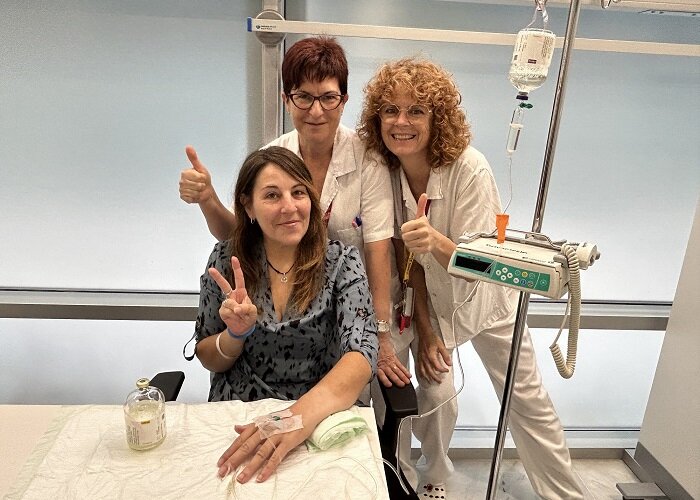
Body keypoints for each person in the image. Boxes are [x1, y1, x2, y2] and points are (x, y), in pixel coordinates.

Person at [358, 57, 585, 499]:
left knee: (526, 402)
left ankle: (566, 495)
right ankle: (412, 478)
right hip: (428, 300)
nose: (401, 122)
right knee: (426, 388)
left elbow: (485, 265)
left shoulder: (470, 169)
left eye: (416, 111)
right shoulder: (385, 170)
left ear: (437, 118)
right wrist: (427, 329)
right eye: (390, 110)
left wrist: (436, 242)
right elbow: (409, 264)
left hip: (485, 303)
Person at [179, 36, 411, 391]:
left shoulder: (369, 162)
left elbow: (377, 249)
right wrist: (208, 200)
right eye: (303, 97)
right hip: (261, 346)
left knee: (365, 383)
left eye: (328, 97)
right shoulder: (272, 158)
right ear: (287, 99)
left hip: (350, 307)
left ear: (344, 100)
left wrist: (380, 335)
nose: (316, 111)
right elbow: (241, 235)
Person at [193, 146, 378, 483]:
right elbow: (208, 356)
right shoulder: (226, 260)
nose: (289, 207)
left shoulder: (341, 263)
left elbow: (361, 355)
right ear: (248, 205)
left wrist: (292, 418)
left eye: (298, 192)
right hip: (238, 417)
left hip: (318, 416)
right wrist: (234, 335)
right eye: (272, 195)